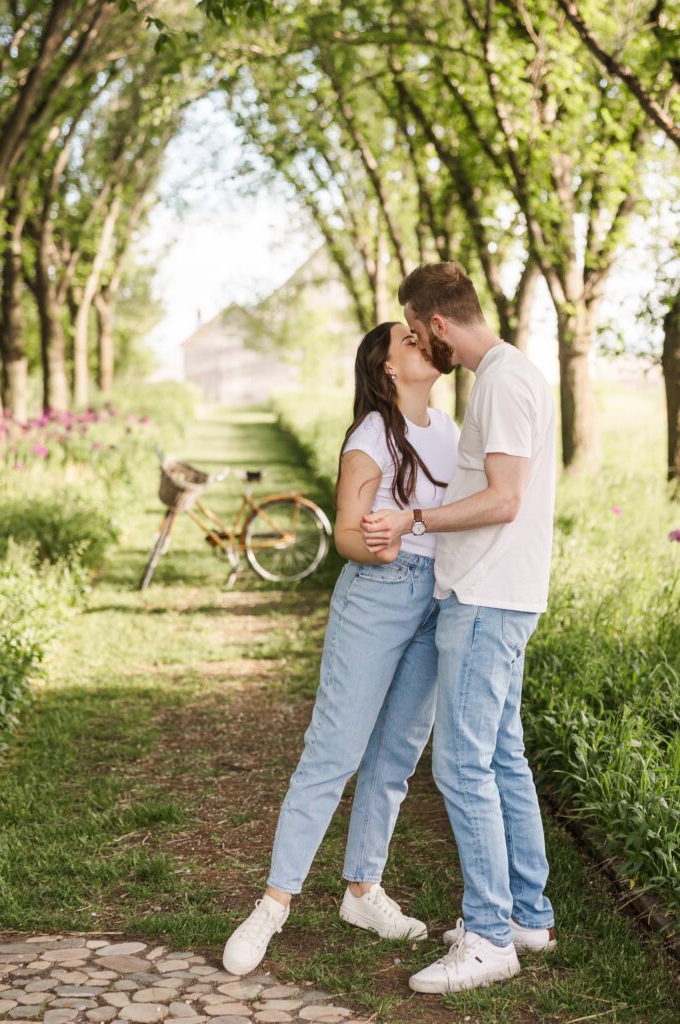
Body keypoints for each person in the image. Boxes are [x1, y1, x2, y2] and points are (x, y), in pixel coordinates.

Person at [222, 321, 459, 976]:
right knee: (333, 753)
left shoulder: (447, 431)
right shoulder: (371, 436)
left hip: (435, 600)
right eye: (407, 339)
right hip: (377, 597)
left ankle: (362, 890)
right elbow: (349, 538)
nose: (421, 341)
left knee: (395, 757)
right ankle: (273, 903)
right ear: (386, 367)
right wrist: (374, 541)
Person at [362, 263, 557, 994]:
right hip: (499, 594)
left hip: (483, 596)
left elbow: (503, 499)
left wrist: (415, 517)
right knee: (501, 755)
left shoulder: (502, 382)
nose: (415, 343)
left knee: (461, 765)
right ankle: (525, 917)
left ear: (437, 326)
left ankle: (486, 937)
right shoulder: (510, 375)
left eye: (415, 332)